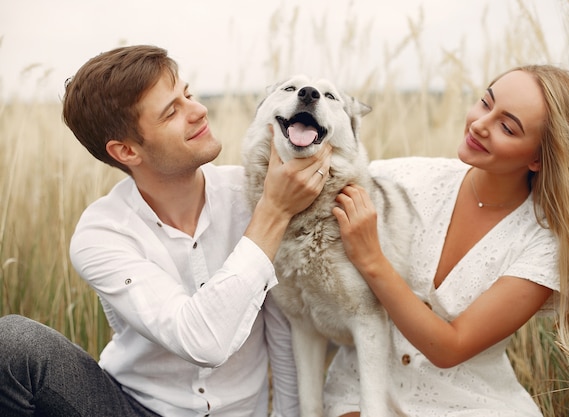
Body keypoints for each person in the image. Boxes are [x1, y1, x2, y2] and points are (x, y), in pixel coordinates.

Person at [0, 45, 332, 416]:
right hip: (133, 408)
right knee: (12, 342)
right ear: (126, 151)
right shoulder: (101, 233)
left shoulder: (251, 193)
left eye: (187, 94)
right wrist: (273, 213)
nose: (199, 111)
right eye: (172, 111)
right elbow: (202, 340)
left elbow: (283, 331)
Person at [326, 65, 569, 416]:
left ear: (537, 157)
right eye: (485, 103)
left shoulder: (544, 245)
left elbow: (450, 348)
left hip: (471, 404)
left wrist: (372, 260)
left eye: (506, 126)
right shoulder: (404, 180)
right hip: (364, 391)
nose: (479, 124)